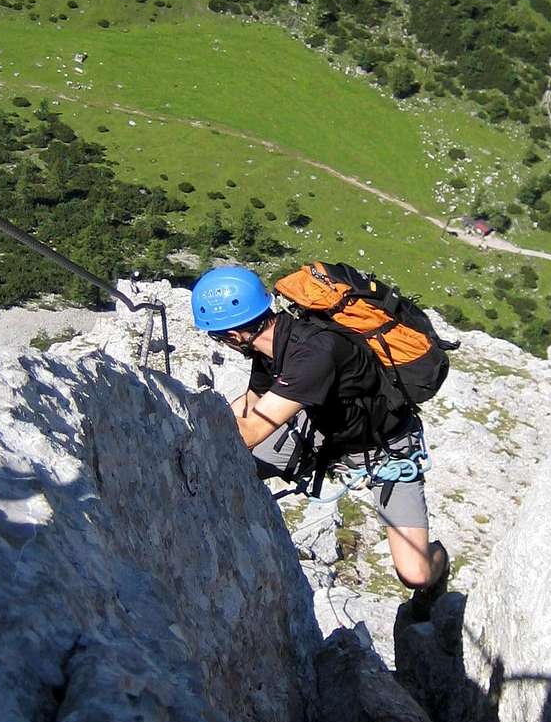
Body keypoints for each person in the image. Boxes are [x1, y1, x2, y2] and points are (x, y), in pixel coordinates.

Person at [191, 264, 449, 618]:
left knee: (415, 573)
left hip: (386, 450)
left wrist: (188, 423)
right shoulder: (273, 347)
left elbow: (249, 431)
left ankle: (440, 564)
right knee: (232, 467)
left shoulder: (313, 353)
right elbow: (249, 405)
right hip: (325, 434)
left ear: (233, 335)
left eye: (215, 336)